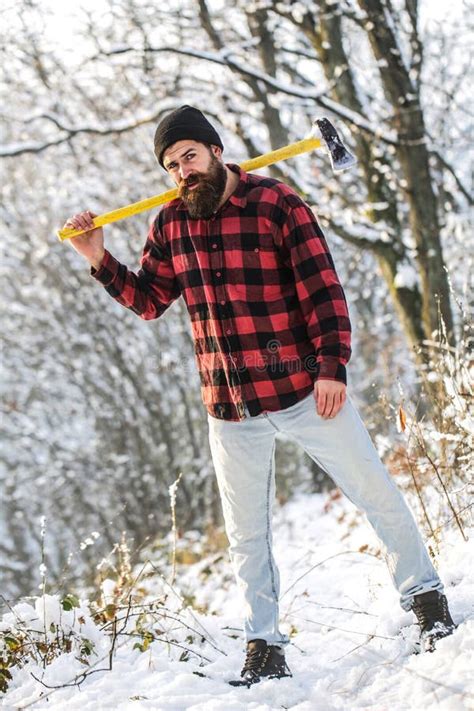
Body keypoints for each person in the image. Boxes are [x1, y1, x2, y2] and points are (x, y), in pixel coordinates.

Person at [64, 105, 456, 686]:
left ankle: (426, 600)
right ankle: (265, 645)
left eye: (190, 156)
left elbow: (323, 290)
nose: (182, 172)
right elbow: (150, 301)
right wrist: (98, 258)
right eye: (172, 165)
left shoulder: (278, 204)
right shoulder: (171, 224)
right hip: (230, 407)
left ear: (217, 151)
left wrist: (332, 368)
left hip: (304, 388)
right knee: (247, 534)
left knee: (374, 490)